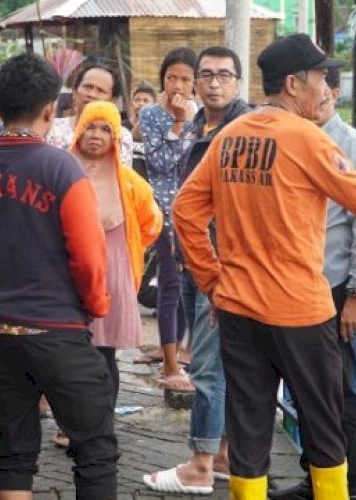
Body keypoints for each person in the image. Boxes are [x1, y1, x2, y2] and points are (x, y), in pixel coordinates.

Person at [172, 33, 356, 499]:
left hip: (237, 311)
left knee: (249, 427)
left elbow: (185, 211)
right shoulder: (306, 140)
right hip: (298, 312)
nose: (326, 87)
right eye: (319, 77)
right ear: (293, 84)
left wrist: (214, 283)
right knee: (325, 429)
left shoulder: (230, 137)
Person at [0, 53, 119, 499]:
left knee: (12, 451)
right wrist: (96, 307)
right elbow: (88, 257)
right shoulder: (62, 169)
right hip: (56, 331)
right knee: (94, 449)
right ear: (49, 110)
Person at [268, 67, 356, 500]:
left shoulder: (353, 146)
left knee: (337, 391)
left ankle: (350, 485)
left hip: (335, 288)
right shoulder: (293, 140)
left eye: (321, 90)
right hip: (298, 286)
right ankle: (318, 477)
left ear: (331, 92)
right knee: (308, 389)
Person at [144, 45, 250, 494]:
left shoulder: (243, 129)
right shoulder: (195, 127)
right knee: (221, 361)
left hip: (222, 265)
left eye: (223, 75)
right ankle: (224, 452)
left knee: (208, 366)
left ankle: (201, 464)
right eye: (204, 75)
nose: (212, 83)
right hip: (189, 253)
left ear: (238, 82)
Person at [71, 100, 163, 404]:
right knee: (73, 350)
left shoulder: (130, 182)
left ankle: (102, 421)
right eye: (90, 127)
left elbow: (152, 222)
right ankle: (73, 423)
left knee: (105, 350)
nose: (96, 135)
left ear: (115, 137)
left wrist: (128, 248)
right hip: (69, 271)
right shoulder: (62, 172)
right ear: (79, 131)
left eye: (105, 129)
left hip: (114, 271)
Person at [139, 46, 197, 392]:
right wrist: (178, 121)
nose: (177, 84)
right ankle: (170, 364)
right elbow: (160, 162)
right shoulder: (150, 114)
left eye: (185, 78)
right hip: (162, 209)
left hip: (197, 212)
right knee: (170, 284)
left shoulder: (202, 113)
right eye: (172, 77)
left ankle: (187, 352)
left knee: (195, 286)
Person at [47, 60, 134, 166]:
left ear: (113, 101)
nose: (92, 94)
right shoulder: (51, 129)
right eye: (87, 87)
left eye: (100, 90)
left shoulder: (121, 136)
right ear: (74, 92)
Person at [124, 82, 157, 181]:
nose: (141, 103)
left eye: (146, 101)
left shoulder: (157, 130)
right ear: (132, 103)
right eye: (137, 100)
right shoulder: (122, 127)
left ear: (154, 105)